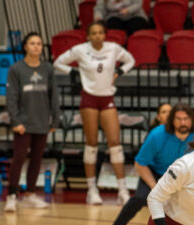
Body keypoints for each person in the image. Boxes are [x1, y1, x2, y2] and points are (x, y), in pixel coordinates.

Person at [54, 21, 135, 206]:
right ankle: (92, 190)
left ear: (105, 35)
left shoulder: (113, 48)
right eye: (93, 33)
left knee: (115, 143)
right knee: (91, 144)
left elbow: (130, 60)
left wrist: (119, 71)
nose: (97, 36)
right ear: (88, 36)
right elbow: (58, 62)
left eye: (100, 32)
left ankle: (122, 189)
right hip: (89, 98)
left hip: (107, 98)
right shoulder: (80, 49)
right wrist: (72, 72)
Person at [4, 32, 60, 212]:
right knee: (19, 158)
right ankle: (12, 195)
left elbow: (53, 96)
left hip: (42, 121)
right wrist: (15, 120)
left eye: (39, 43)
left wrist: (55, 119)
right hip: (23, 121)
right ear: (25, 47)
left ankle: (29, 194)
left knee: (37, 159)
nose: (36, 46)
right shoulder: (16, 69)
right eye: (32, 43)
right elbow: (11, 97)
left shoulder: (47, 69)